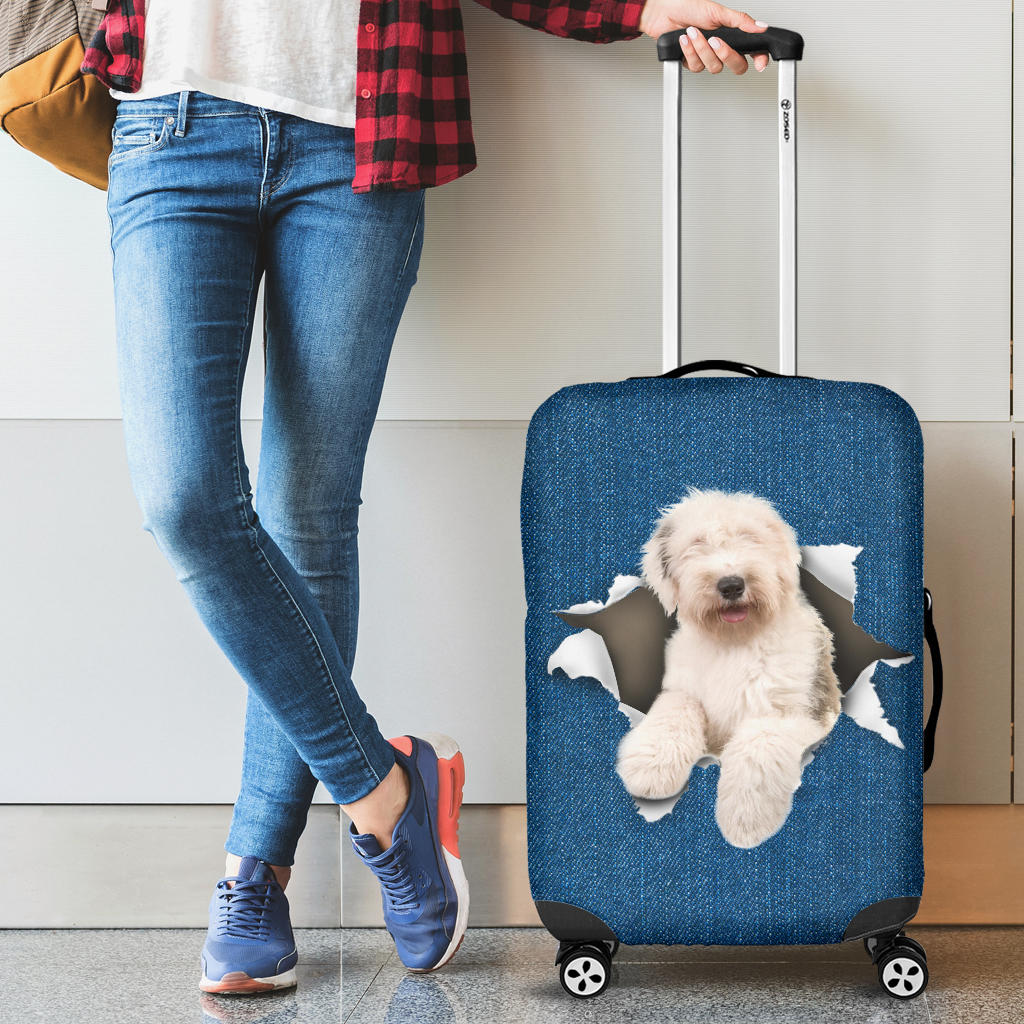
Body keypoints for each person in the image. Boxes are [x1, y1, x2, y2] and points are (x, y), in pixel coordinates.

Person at [84, 0, 771, 996]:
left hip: (357, 133)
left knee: (307, 509)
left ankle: (256, 873)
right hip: (170, 122)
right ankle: (384, 787)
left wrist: (638, 8)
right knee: (186, 500)